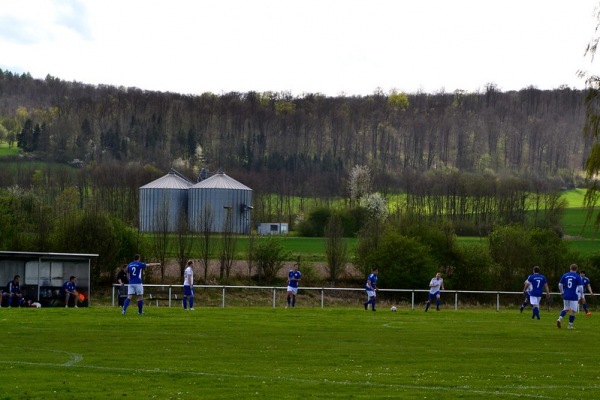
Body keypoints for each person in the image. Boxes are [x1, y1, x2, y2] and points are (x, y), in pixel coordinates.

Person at [557, 263, 584, 329]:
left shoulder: (565, 275)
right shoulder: (577, 276)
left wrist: (562, 292)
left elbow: (560, 285)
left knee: (565, 308)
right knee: (573, 311)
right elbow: (580, 287)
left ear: (570, 268)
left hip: (566, 295)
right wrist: (582, 296)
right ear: (576, 269)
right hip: (573, 296)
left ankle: (559, 319)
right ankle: (570, 325)